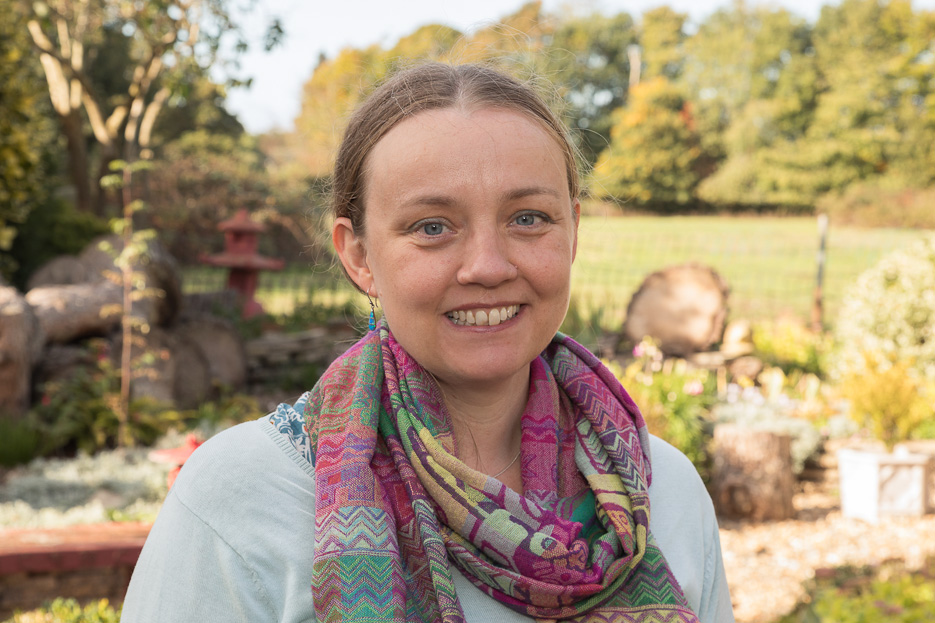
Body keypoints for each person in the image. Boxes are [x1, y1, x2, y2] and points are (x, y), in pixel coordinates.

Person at [121, 62, 734, 623]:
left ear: (572, 233)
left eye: (528, 218)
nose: (487, 266)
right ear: (358, 255)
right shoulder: (241, 500)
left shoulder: (663, 492)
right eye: (432, 226)